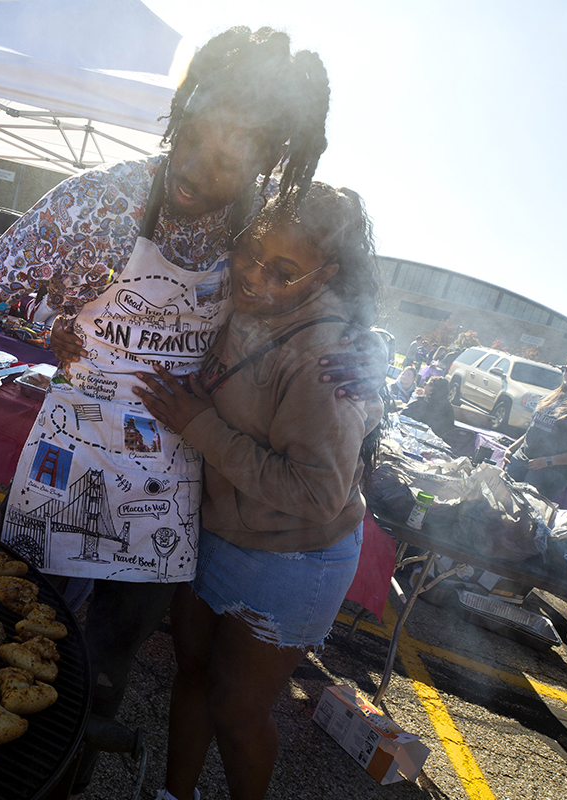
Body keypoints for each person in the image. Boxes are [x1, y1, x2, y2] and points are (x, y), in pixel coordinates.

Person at [0, 26, 378, 792]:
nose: (196, 168)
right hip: (69, 465)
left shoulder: (258, 231)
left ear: (266, 163)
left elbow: (335, 288)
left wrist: (369, 355)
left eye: (228, 160)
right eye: (191, 134)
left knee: (103, 675)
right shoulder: (95, 204)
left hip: (168, 487)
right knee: (2, 641)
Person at [134, 182, 379, 800]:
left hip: (291, 558)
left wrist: (201, 428)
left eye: (284, 270)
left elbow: (318, 492)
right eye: (250, 252)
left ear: (326, 274)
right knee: (191, 674)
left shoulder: (326, 360)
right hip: (214, 526)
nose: (254, 276)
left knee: (236, 714)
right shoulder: (240, 304)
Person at [502, 353, 567, 501]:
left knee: (522, 517)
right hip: (520, 460)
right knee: (499, 506)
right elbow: (535, 429)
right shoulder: (552, 398)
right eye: (566, 369)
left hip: (550, 472)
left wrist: (549, 461)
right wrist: (512, 449)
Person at [403, 376, 472, 451]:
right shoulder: (448, 406)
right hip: (439, 444)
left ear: (432, 388)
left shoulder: (423, 402)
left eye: (426, 384)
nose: (424, 386)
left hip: (418, 441)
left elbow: (403, 415)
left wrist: (420, 397)